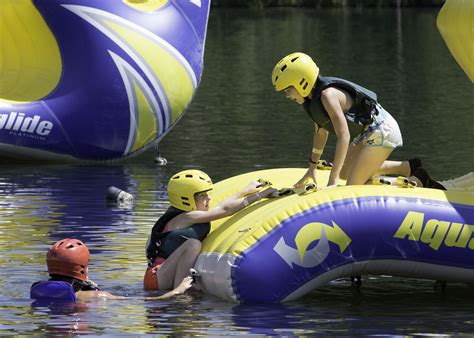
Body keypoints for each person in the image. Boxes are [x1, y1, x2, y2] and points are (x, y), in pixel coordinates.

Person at [271, 52, 445, 190]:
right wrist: (312, 168)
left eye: (288, 90)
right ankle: (408, 167)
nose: (287, 95)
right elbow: (321, 132)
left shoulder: (327, 96)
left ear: (302, 82)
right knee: (345, 173)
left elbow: (344, 136)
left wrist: (332, 181)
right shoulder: (312, 101)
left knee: (352, 188)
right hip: (366, 133)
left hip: (381, 132)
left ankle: (418, 180)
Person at [144, 169, 277, 291]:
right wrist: (261, 195)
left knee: (193, 244)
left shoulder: (180, 213)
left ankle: (180, 292)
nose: (209, 198)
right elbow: (225, 210)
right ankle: (181, 293)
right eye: (202, 196)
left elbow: (221, 206)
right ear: (187, 199)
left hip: (158, 276)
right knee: (193, 244)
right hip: (156, 278)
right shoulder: (187, 216)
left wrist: (246, 190)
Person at [31, 238, 192, 303]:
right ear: (81, 267)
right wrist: (177, 291)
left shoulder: (40, 289)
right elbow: (147, 303)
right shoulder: (96, 296)